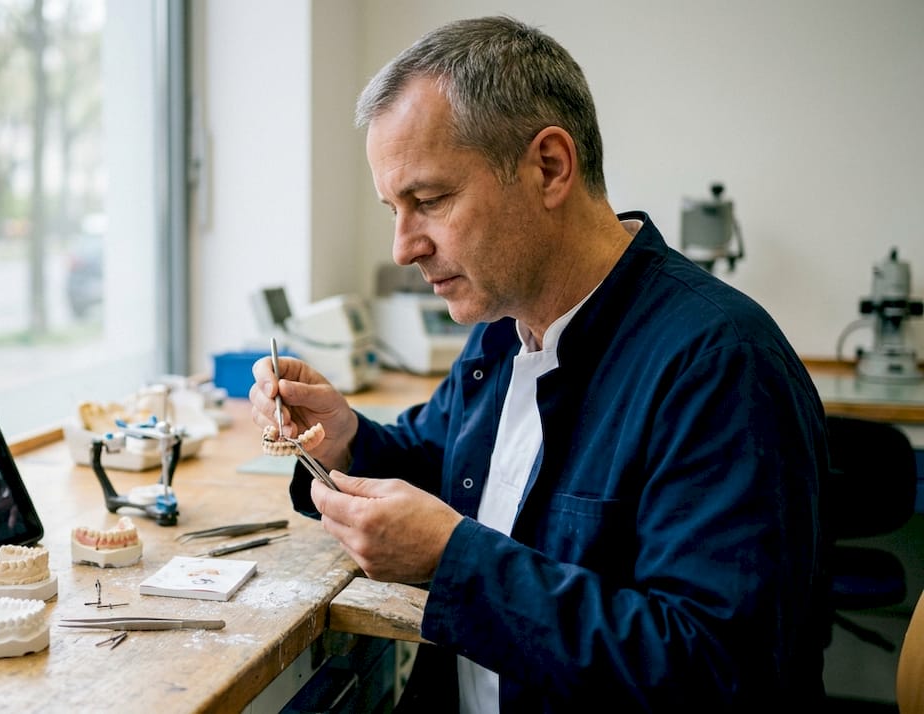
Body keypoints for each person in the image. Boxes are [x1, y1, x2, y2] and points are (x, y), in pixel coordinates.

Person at [249, 15, 827, 713]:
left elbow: (716, 671)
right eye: (392, 209)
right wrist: (345, 440)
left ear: (549, 167)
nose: (404, 247)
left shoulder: (721, 365)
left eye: (429, 201)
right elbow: (450, 471)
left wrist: (453, 560)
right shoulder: (503, 328)